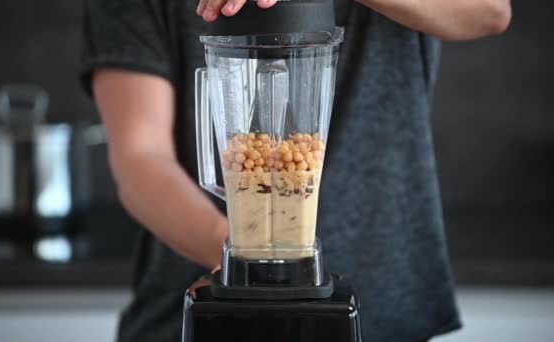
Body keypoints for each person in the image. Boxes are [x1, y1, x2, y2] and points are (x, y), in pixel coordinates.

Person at [81, 0, 511, 341]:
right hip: (183, 313)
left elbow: (490, 10)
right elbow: (139, 156)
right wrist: (249, 261)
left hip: (387, 302)